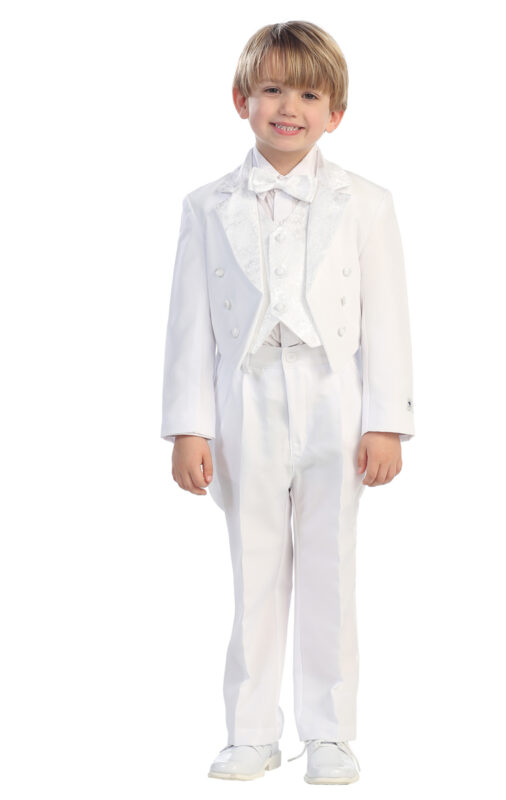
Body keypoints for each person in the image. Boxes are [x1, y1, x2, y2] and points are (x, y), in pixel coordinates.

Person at [161, 20, 416, 785]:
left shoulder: (366, 202)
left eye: (308, 94)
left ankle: (330, 732)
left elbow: (387, 316)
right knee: (256, 566)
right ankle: (250, 732)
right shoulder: (206, 206)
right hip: (247, 395)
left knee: (331, 566)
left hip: (335, 396)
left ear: (336, 112)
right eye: (272, 89)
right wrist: (188, 426)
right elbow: (189, 324)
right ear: (241, 99)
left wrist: (387, 421)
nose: (288, 108)